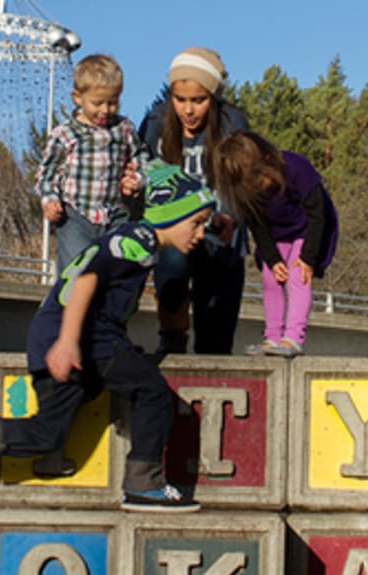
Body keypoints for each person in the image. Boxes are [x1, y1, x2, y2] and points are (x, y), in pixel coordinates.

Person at [0, 162, 215, 512]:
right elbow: (85, 281)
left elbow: (105, 296)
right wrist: (68, 341)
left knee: (46, 434)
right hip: (81, 339)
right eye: (195, 223)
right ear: (169, 215)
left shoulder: (131, 239)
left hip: (54, 334)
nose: (199, 234)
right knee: (151, 392)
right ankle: (144, 483)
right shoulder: (140, 240)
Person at [135, 47, 250, 355]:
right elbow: (141, 177)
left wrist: (230, 217)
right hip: (176, 237)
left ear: (212, 98)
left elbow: (244, 183)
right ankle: (172, 334)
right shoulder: (156, 123)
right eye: (180, 99)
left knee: (215, 344)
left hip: (221, 236)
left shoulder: (232, 123)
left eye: (198, 101)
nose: (188, 110)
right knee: (171, 262)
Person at [212, 131, 338, 358]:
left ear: (268, 161)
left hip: (310, 229)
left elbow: (319, 213)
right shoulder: (245, 191)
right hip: (276, 234)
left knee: (298, 274)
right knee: (271, 278)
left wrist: (309, 257)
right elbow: (257, 227)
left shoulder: (296, 167)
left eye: (258, 181)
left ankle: (293, 337)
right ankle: (272, 337)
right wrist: (272, 259)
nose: (258, 189)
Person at [36, 53, 148, 275]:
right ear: (78, 97)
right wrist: (49, 200)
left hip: (114, 213)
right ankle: (69, 308)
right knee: (77, 270)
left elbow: (140, 156)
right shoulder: (65, 133)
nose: (105, 110)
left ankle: (107, 308)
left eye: (113, 102)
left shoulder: (123, 128)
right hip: (76, 214)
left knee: (116, 269)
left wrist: (138, 180)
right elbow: (46, 173)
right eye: (97, 103)